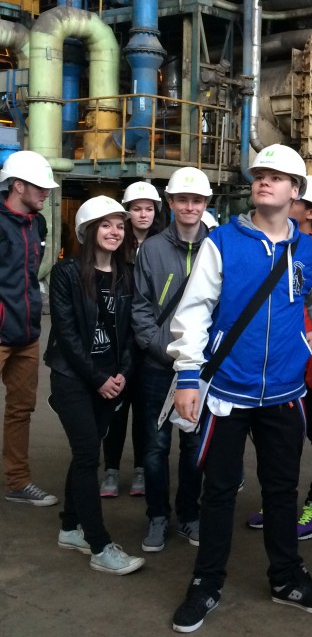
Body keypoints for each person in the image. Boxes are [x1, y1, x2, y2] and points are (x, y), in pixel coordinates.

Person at [168, 144, 312, 633]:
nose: (264, 180)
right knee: (219, 492)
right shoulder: (223, 242)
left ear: (295, 191)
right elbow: (195, 310)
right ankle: (206, 583)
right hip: (227, 393)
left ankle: (286, 577)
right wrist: (187, 376)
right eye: (260, 173)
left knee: (282, 491)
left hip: (285, 394)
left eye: (277, 176)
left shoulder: (306, 250)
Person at [45, 196, 144, 575]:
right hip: (73, 378)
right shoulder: (67, 273)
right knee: (88, 454)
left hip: (110, 378)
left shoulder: (126, 274)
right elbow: (67, 334)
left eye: (119, 225)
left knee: (86, 454)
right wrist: (98, 378)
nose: (114, 231)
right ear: (88, 230)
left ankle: (70, 527)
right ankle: (100, 546)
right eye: (106, 224)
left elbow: (130, 331)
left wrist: (122, 373)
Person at [247, 174, 312, 539]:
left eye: (296, 201)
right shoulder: (278, 244)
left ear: (311, 212)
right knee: (281, 437)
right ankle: (279, 502)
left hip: (309, 364)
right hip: (279, 363)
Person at [131, 167, 212, 553]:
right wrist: (165, 351)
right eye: (183, 199)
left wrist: (198, 359)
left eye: (197, 200)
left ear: (206, 203)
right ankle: (158, 517)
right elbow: (141, 309)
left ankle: (190, 514)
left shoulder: (218, 248)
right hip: (159, 366)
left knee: (194, 447)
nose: (190, 206)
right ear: (171, 202)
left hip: (199, 369)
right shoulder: (151, 250)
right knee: (155, 447)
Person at [0, 149, 59, 506]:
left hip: (27, 334)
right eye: (39, 186)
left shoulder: (37, 225)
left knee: (21, 410)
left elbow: (29, 276)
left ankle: (18, 482)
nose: (46, 192)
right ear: (18, 185)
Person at [100, 181, 162, 498]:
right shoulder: (116, 244)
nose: (143, 214)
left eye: (148, 208)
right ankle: (111, 469)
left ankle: (140, 469)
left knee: (144, 408)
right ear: (127, 213)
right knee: (116, 406)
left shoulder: (163, 245)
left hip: (148, 338)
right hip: (118, 336)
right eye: (136, 209)